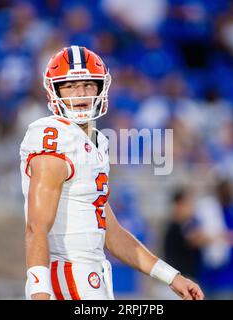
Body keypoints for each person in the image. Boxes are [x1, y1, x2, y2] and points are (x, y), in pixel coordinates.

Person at [19, 45, 204, 300]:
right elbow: (36, 227)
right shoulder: (54, 138)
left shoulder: (96, 140)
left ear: (100, 88)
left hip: (93, 275)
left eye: (87, 85)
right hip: (66, 276)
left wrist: (171, 276)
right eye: (70, 86)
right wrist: (40, 292)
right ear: (55, 91)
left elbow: (111, 233)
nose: (80, 94)